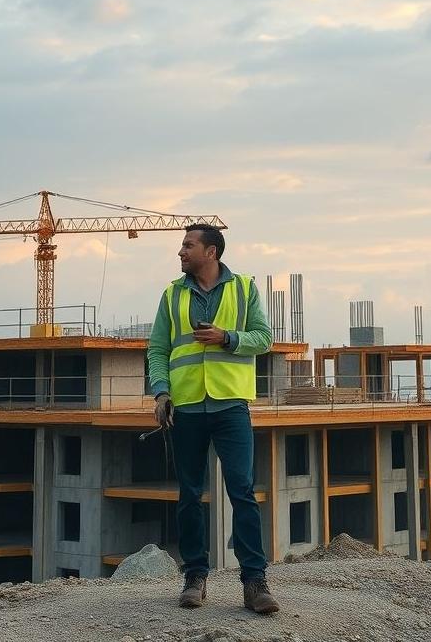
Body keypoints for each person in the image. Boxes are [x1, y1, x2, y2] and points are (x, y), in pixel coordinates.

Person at [146, 224, 280, 615]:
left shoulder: (243, 288)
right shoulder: (172, 294)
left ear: (211, 252)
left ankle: (255, 582)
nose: (180, 252)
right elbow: (157, 348)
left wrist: (227, 337)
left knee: (242, 492)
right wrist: (161, 391)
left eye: (188, 245)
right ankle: (194, 577)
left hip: (230, 405)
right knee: (189, 495)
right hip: (186, 405)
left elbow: (264, 338)